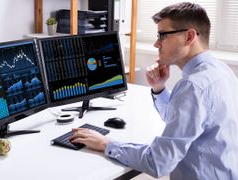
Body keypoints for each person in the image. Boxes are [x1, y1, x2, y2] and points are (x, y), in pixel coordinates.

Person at [70, 2, 238, 180]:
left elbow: (158, 162)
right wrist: (159, 89)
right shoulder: (221, 70)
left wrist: (106, 144)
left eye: (162, 35)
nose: (156, 44)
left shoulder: (193, 86)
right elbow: (185, 122)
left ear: (189, 37)